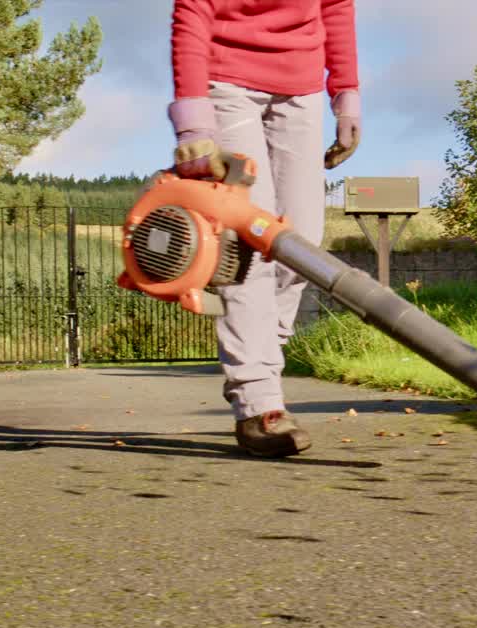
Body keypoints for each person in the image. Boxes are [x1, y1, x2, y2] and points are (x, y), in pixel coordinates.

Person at [167, 0, 361, 457]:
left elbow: (336, 6)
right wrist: (193, 119)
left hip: (303, 88)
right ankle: (256, 398)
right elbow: (192, 10)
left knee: (301, 243)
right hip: (225, 81)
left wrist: (346, 96)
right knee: (250, 241)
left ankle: (262, 369)